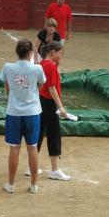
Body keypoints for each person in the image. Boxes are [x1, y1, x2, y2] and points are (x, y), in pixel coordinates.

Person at [0, 39, 46, 194]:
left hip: (14, 112)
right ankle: (34, 185)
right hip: (32, 112)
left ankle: (11, 184)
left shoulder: (8, 67)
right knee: (33, 148)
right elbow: (39, 87)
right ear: (31, 52)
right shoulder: (37, 68)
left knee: (14, 147)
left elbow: (7, 88)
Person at [36, 41, 71, 181]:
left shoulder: (40, 64)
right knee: (54, 135)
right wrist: (60, 107)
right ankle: (54, 170)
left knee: (38, 134)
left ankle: (31, 166)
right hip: (49, 104)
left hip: (40, 102)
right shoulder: (51, 65)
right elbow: (52, 88)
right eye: (59, 53)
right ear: (52, 52)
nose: (60, 56)